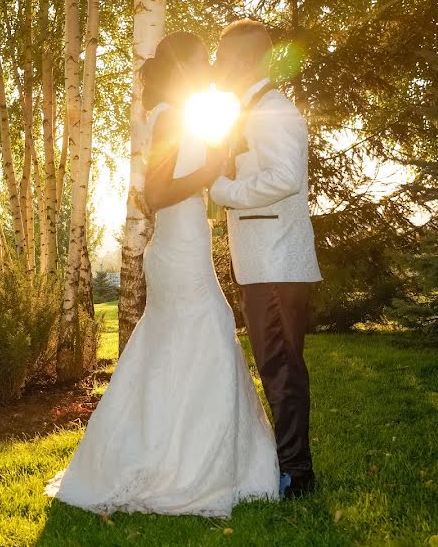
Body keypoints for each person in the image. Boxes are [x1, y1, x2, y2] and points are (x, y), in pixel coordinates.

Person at [44, 31, 280, 517]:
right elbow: (154, 193)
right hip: (180, 247)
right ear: (184, 69)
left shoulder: (172, 115)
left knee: (174, 345)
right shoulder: (171, 116)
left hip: (180, 244)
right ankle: (188, 466)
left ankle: (175, 450)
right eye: (201, 63)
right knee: (209, 331)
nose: (209, 71)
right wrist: (212, 166)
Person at [210, 19, 322, 498]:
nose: (217, 69)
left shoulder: (272, 110)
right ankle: (289, 464)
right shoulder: (251, 110)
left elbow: (285, 177)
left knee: (281, 369)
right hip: (266, 261)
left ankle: (296, 475)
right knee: (279, 365)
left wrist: (224, 191)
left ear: (247, 60)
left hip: (276, 261)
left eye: (223, 59)